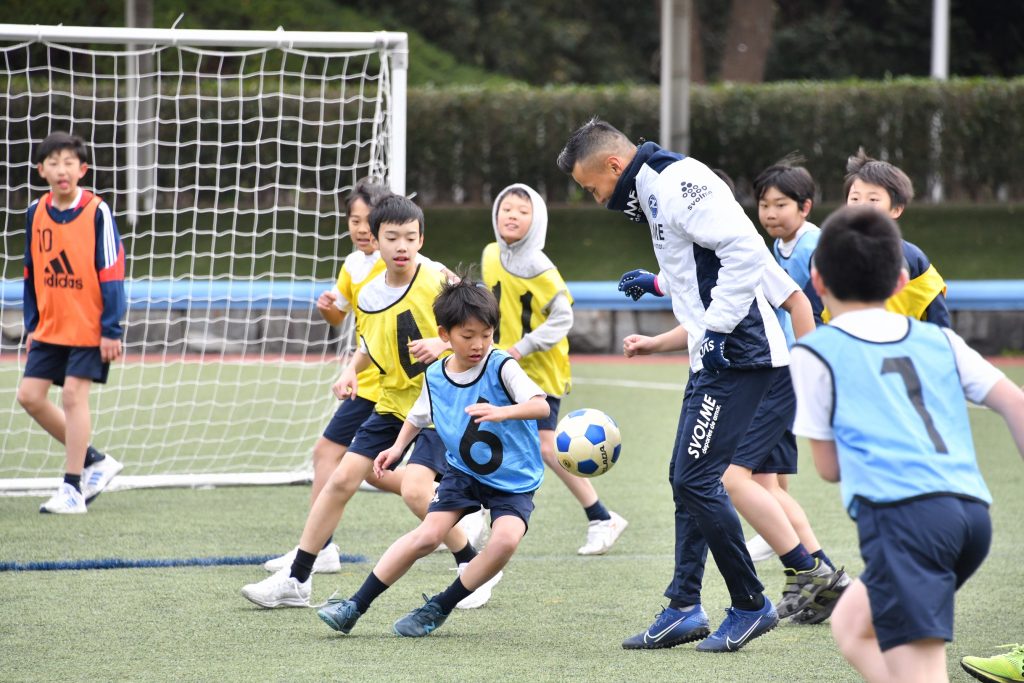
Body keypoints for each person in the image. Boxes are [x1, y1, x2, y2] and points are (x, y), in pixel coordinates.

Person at [557, 117, 784, 653]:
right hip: (714, 354)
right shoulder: (655, 186)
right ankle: (684, 606)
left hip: (739, 352)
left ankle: (751, 604)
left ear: (615, 165)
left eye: (593, 187)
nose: (596, 199)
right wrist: (660, 284)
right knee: (685, 479)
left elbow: (745, 250)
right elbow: (698, 265)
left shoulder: (677, 180)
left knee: (696, 480)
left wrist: (719, 330)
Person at [790, 205, 1024, 683]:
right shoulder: (939, 339)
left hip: (906, 521)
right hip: (971, 516)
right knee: (852, 625)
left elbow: (829, 468)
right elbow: (1014, 403)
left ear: (817, 280)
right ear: (901, 281)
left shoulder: (815, 350)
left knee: (921, 669)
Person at [242, 194, 489, 609]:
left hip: (438, 404)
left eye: (410, 237)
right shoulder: (370, 295)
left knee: (416, 492)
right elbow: (374, 344)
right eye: (392, 237)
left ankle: (473, 566)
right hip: (392, 403)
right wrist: (351, 370)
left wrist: (443, 344)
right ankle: (298, 580)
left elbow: (481, 327)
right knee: (341, 478)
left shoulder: (437, 278)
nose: (402, 246)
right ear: (375, 239)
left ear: (421, 239)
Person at [316, 277, 548, 637]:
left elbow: (540, 406)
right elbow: (418, 415)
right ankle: (354, 606)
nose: (478, 344)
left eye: (486, 335)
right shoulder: (436, 375)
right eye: (468, 336)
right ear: (444, 334)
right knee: (427, 535)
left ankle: (440, 605)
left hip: (513, 479)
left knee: (505, 541)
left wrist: (503, 412)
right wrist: (397, 448)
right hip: (463, 473)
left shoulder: (502, 366)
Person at [621, 261, 850, 626]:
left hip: (768, 378)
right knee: (763, 485)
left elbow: (798, 301)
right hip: (752, 378)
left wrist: (811, 375)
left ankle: (807, 571)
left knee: (727, 478)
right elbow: (704, 320)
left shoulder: (746, 248)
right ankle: (819, 577)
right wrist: (655, 334)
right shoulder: (711, 254)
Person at [482, 183, 627, 555]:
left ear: (537, 221)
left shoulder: (541, 268)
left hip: (541, 370)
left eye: (522, 211)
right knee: (487, 433)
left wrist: (522, 346)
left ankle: (602, 517)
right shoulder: (490, 254)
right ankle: (468, 516)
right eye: (506, 208)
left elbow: (563, 319)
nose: (512, 216)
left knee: (547, 448)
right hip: (504, 365)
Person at [16, 131, 125, 514]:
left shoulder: (97, 211)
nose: (62, 170)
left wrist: (111, 329)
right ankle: (95, 460)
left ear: (83, 169)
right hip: (50, 326)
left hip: (89, 326)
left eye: (69, 163)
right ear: (41, 170)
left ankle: (72, 488)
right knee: (29, 396)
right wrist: (33, 324)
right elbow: (31, 271)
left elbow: (112, 271)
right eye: (54, 163)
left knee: (73, 395)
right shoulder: (35, 212)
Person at [742, 157, 822, 563]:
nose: (770, 213)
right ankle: (774, 530)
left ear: (805, 207)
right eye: (764, 205)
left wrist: (815, 364)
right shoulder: (777, 245)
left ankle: (812, 559)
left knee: (755, 464)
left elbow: (820, 307)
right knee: (770, 460)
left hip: (799, 364)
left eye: (780, 205)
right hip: (781, 361)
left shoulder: (815, 246)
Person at [807, 148, 950, 328]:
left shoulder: (914, 261)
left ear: (896, 209)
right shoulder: (827, 254)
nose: (861, 206)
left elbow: (938, 324)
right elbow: (812, 314)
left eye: (873, 200)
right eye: (855, 199)